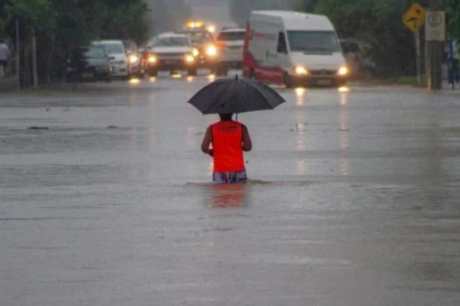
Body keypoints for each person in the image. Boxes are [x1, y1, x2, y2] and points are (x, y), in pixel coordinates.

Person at [201, 113, 252, 184]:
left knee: (221, 194)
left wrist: (211, 152)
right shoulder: (242, 127)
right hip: (238, 168)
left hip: (220, 169)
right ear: (232, 113)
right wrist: (237, 146)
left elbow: (204, 148)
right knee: (239, 194)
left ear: (219, 113)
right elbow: (248, 147)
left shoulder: (212, 128)